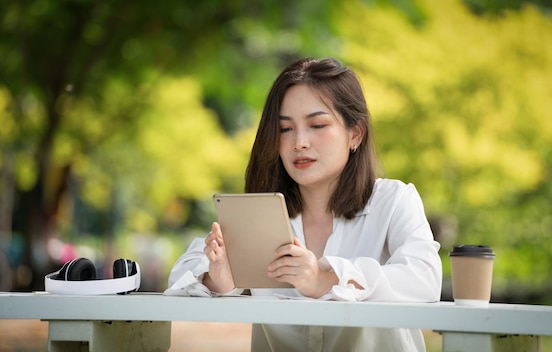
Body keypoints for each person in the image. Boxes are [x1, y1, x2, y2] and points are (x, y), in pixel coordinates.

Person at [167, 57, 442, 351]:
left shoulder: (393, 202)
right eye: (285, 129)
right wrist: (218, 279)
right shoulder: (258, 215)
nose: (299, 142)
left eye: (317, 125)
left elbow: (424, 278)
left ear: (356, 134)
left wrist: (325, 279)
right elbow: (180, 277)